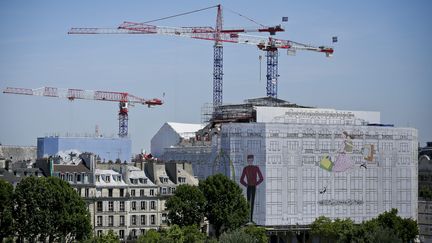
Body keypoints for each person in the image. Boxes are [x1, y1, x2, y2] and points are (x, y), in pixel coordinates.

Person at [240, 154, 264, 223]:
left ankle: (251, 219)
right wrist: (246, 185)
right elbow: (241, 180)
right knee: (248, 202)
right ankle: (248, 219)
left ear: (253, 160)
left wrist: (256, 183)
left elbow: (261, 178)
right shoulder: (245, 168)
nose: (250, 161)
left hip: (253, 186)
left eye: (251, 160)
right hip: (249, 187)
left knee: (252, 202)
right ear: (247, 161)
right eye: (248, 160)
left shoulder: (256, 168)